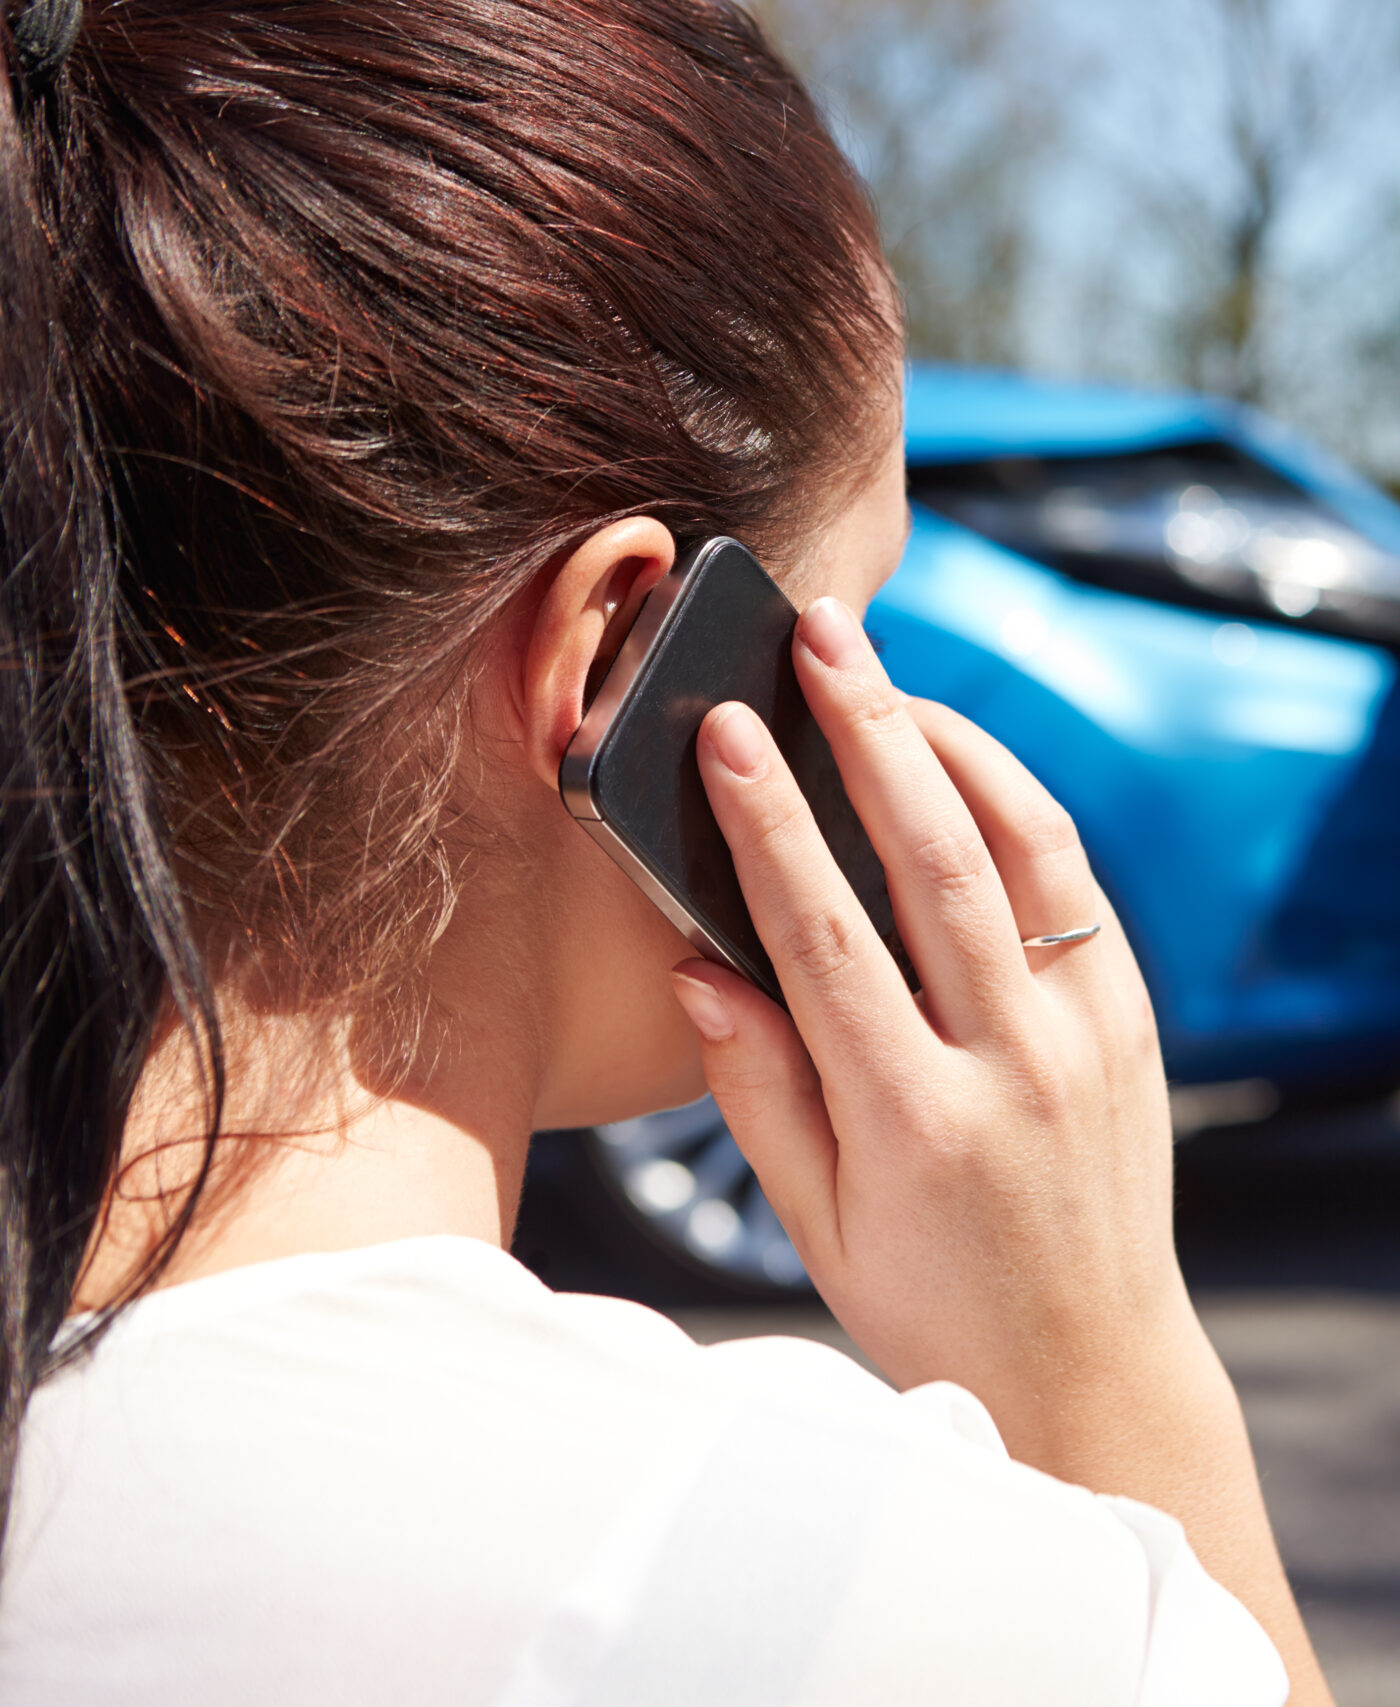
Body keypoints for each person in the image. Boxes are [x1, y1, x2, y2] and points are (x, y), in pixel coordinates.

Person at [0, 1, 1330, 1702]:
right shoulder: (845, 1591)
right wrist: (1110, 1376)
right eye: (851, 623)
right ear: (625, 648)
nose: (879, 719)